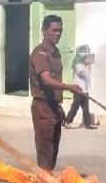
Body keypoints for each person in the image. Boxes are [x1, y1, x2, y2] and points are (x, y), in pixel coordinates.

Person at [28, 15, 83, 171]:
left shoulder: (56, 53)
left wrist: (59, 107)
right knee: (45, 152)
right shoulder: (40, 53)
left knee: (53, 152)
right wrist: (69, 87)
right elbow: (46, 80)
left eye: (60, 31)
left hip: (53, 106)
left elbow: (54, 84)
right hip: (42, 107)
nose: (57, 34)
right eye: (54, 30)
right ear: (44, 31)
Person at [64, 45, 97, 130]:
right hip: (78, 88)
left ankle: (88, 124)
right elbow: (82, 73)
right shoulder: (77, 63)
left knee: (86, 107)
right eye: (83, 51)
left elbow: (88, 74)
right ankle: (67, 122)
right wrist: (87, 65)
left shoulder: (86, 64)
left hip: (85, 89)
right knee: (75, 105)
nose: (85, 53)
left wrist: (88, 64)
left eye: (86, 51)